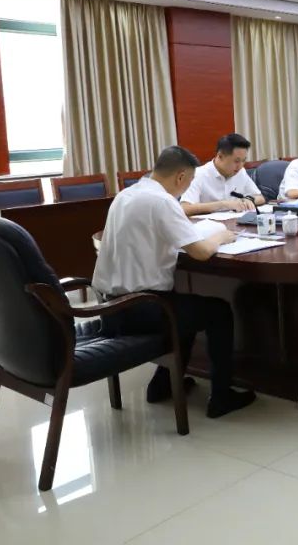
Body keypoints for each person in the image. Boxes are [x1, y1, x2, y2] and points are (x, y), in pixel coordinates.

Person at [92, 146, 255, 418]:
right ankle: (222, 396)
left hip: (111, 306)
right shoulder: (163, 202)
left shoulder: (126, 194)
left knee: (184, 304)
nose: (186, 188)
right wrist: (221, 236)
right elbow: (201, 252)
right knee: (218, 311)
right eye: (189, 182)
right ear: (181, 177)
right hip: (141, 308)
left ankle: (163, 384)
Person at [180, 133, 265, 216]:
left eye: (243, 160)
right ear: (220, 156)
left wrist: (248, 199)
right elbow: (185, 208)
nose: (240, 166)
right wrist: (223, 205)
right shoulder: (198, 174)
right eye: (236, 161)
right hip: (207, 223)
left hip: (235, 222)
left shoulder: (240, 172)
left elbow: (260, 198)